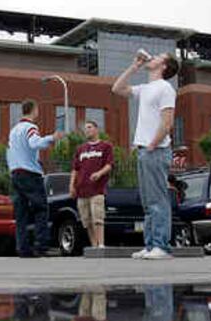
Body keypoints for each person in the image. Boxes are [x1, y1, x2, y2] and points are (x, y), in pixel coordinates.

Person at [113, 51, 180, 260]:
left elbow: (167, 122)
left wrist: (151, 144)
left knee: (158, 199)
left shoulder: (165, 88)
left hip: (156, 150)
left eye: (159, 56)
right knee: (147, 201)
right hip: (144, 150)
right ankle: (151, 245)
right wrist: (134, 66)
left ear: (164, 66)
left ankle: (162, 246)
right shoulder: (145, 89)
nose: (153, 57)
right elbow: (116, 88)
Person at [6, 99, 64, 257]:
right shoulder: (31, 127)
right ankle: (41, 245)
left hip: (15, 173)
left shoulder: (14, 130)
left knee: (21, 213)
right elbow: (34, 143)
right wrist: (52, 137)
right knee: (41, 209)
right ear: (34, 110)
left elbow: (9, 152)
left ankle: (22, 247)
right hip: (30, 173)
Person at [69, 120, 114, 248]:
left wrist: (99, 173)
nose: (87, 130)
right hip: (82, 190)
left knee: (97, 218)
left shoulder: (106, 146)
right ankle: (94, 245)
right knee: (86, 221)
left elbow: (109, 165)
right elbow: (75, 169)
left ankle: (101, 244)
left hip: (97, 190)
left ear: (96, 129)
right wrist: (72, 185)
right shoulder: (80, 149)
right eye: (85, 128)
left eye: (89, 127)